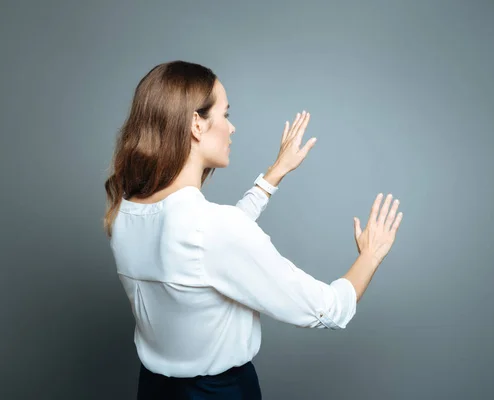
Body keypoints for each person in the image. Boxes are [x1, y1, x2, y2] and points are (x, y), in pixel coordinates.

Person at [103, 60, 403, 400]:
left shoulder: (124, 215)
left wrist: (275, 173)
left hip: (154, 390)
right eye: (225, 115)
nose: (232, 129)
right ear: (196, 125)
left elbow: (209, 252)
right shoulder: (212, 229)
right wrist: (371, 254)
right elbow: (329, 308)